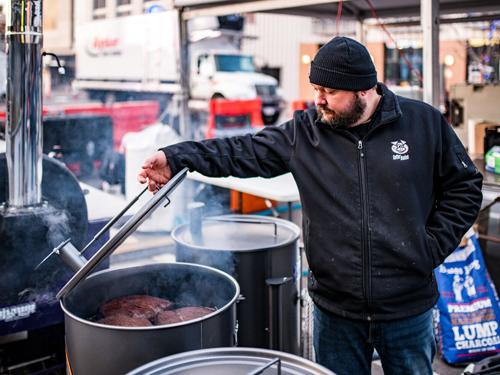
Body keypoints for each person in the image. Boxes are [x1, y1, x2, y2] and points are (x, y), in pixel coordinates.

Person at [138, 36, 483, 374]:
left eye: (330, 92)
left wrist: (431, 247)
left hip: (407, 309)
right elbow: (239, 151)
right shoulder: (305, 133)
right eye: (316, 88)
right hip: (336, 314)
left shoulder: (422, 123)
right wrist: (176, 157)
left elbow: (465, 186)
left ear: (364, 90)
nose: (318, 100)